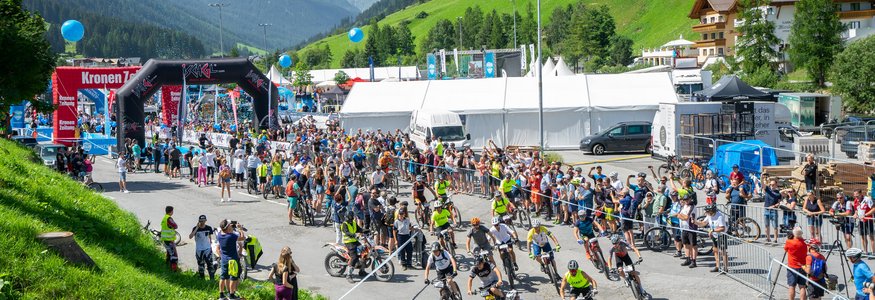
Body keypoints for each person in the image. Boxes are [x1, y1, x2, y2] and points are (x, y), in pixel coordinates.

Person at [217, 219, 246, 300]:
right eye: (230, 225)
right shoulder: (231, 236)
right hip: (232, 260)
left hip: (224, 259)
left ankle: (221, 295)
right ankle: (231, 295)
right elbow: (242, 238)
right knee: (233, 278)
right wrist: (240, 229)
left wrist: (230, 228)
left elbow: (225, 230)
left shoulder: (219, 235)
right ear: (227, 227)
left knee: (223, 277)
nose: (231, 225)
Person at [696, 204, 728, 273]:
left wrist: (712, 230)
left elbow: (722, 228)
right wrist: (695, 222)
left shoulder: (719, 216)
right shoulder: (709, 215)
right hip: (714, 235)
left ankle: (725, 268)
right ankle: (717, 266)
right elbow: (703, 223)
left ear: (712, 211)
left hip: (721, 235)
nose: (706, 213)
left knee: (723, 252)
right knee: (715, 250)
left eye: (708, 211)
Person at [189, 214, 216, 280]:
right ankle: (202, 279)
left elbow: (210, 236)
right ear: (199, 221)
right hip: (199, 250)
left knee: (210, 265)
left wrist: (210, 244)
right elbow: (190, 236)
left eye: (203, 221)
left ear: (206, 220)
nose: (202, 222)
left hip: (207, 249)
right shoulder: (195, 228)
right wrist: (197, 228)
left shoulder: (209, 228)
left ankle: (212, 279)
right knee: (201, 265)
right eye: (201, 221)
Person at [785, 227, 808, 300]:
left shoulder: (789, 242)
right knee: (802, 286)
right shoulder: (804, 244)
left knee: (792, 286)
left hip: (792, 266)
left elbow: (785, 249)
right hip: (802, 266)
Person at [341, 211, 364, 283]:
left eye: (352, 217)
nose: (351, 218)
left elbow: (359, 229)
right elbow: (347, 232)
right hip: (348, 242)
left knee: (363, 251)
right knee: (354, 257)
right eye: (350, 217)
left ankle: (362, 271)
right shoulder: (344, 224)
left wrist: (366, 230)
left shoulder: (353, 222)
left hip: (354, 241)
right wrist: (353, 235)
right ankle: (349, 275)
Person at [677, 194, 698, 268]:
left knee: (693, 245)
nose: (686, 201)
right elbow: (678, 214)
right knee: (685, 244)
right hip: (684, 228)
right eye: (684, 200)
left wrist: (681, 216)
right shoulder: (684, 206)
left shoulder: (692, 207)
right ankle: (687, 258)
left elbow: (686, 217)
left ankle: (694, 261)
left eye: (687, 199)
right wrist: (681, 216)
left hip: (691, 228)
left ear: (690, 199)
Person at [161, 206, 179, 271]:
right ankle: (174, 271)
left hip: (165, 239)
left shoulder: (164, 218)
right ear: (171, 211)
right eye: (172, 211)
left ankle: (166, 266)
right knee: (174, 255)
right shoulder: (169, 218)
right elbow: (175, 226)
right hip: (169, 240)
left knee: (169, 253)